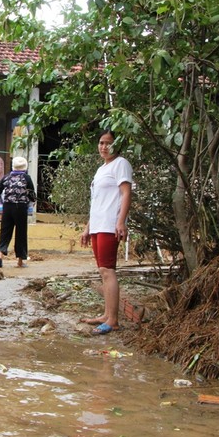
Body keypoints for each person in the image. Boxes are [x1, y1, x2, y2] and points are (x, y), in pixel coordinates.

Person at [79, 129, 134, 335]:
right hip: (98, 224)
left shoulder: (121, 164)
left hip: (110, 224)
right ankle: (106, 314)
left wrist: (121, 222)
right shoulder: (102, 168)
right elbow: (97, 201)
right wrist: (87, 227)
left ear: (116, 145)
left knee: (108, 270)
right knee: (103, 270)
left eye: (108, 143)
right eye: (101, 142)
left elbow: (126, 193)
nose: (104, 147)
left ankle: (113, 320)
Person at [0, 156, 36, 268]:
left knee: (5, 232)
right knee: (21, 234)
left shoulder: (6, 177)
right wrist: (32, 201)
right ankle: (20, 261)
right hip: (21, 208)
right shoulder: (26, 178)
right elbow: (32, 194)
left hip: (7, 207)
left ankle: (0, 256)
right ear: (25, 167)